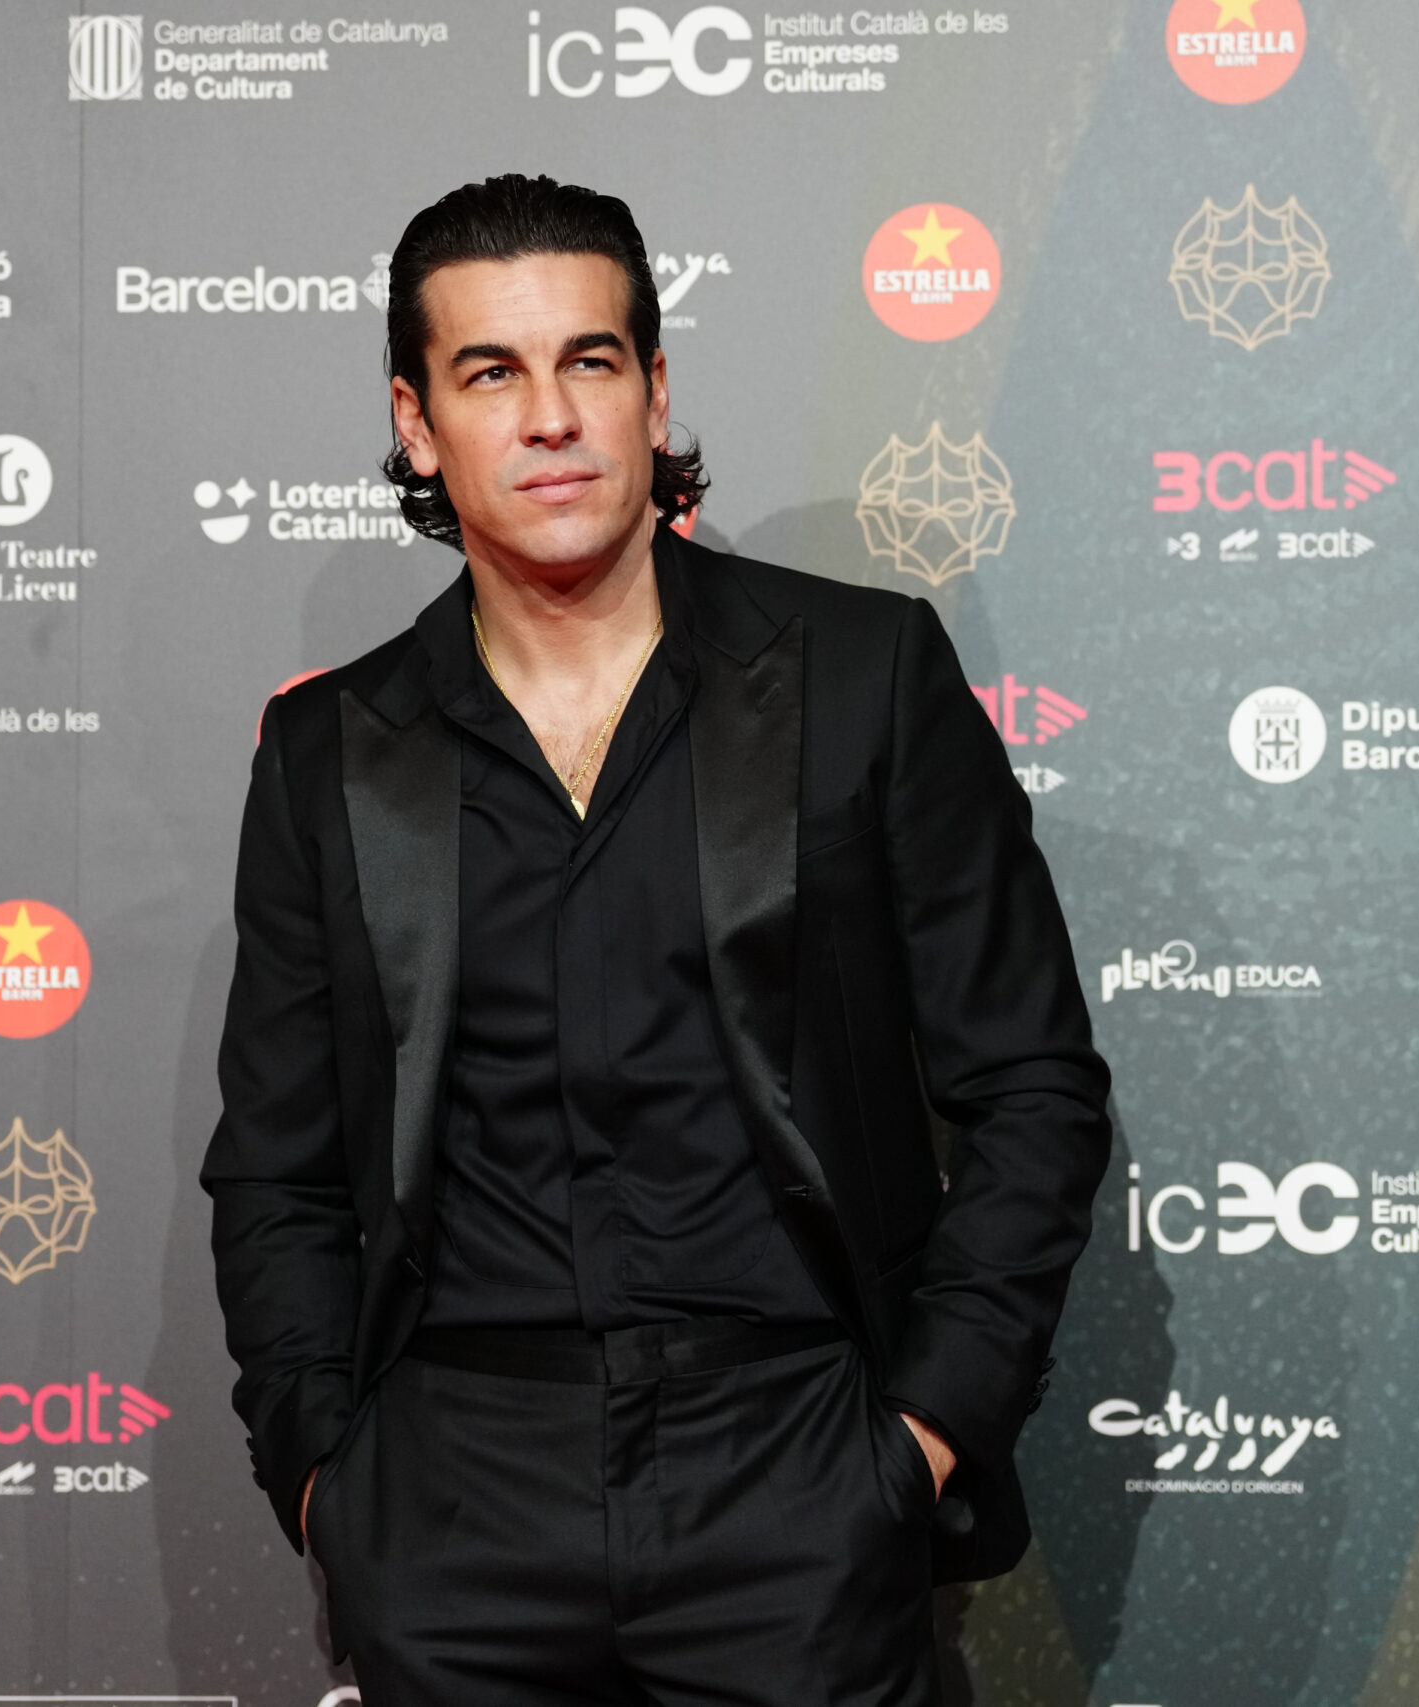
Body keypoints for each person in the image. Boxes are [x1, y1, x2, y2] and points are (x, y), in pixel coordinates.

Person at [201, 173, 1111, 1707]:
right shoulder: (332, 752)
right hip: (454, 1501)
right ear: (419, 424)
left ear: (655, 390)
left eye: (591, 360)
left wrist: (917, 1441)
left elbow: (1033, 1088)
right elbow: (276, 1170)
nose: (551, 416)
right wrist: (329, 1486)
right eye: (492, 373)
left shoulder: (863, 677)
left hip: (797, 1468)